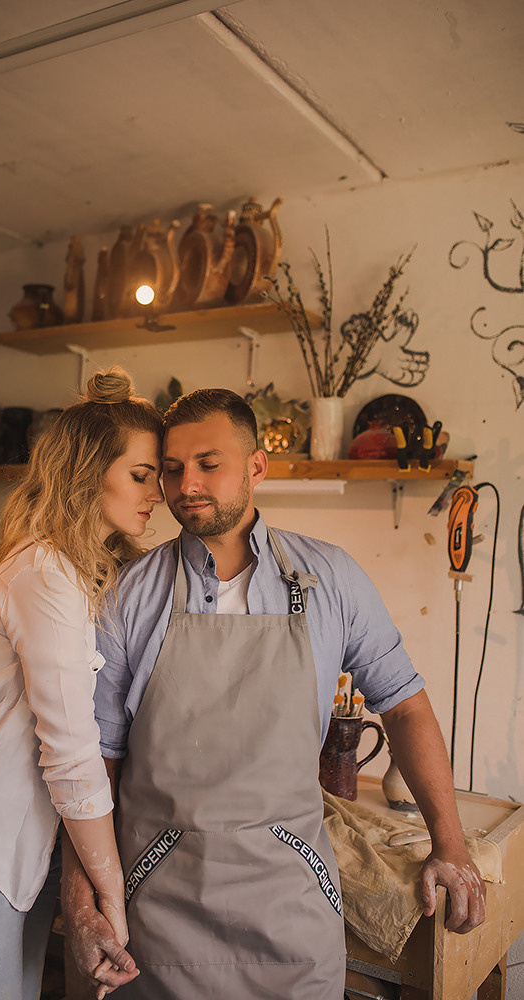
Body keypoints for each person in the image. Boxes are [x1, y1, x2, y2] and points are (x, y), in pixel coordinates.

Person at [62, 387, 486, 1000]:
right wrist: (82, 903)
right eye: (174, 468)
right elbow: (93, 763)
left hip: (291, 907)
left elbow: (404, 705)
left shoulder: (330, 578)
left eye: (210, 464)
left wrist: (451, 845)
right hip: (155, 907)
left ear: (257, 466)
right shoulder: (128, 592)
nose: (187, 485)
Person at [0, 369, 164, 1000]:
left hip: (16, 855)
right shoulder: (46, 574)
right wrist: (110, 894)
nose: (158, 494)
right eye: (141, 474)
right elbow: (71, 751)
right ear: (89, 472)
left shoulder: (85, 575)